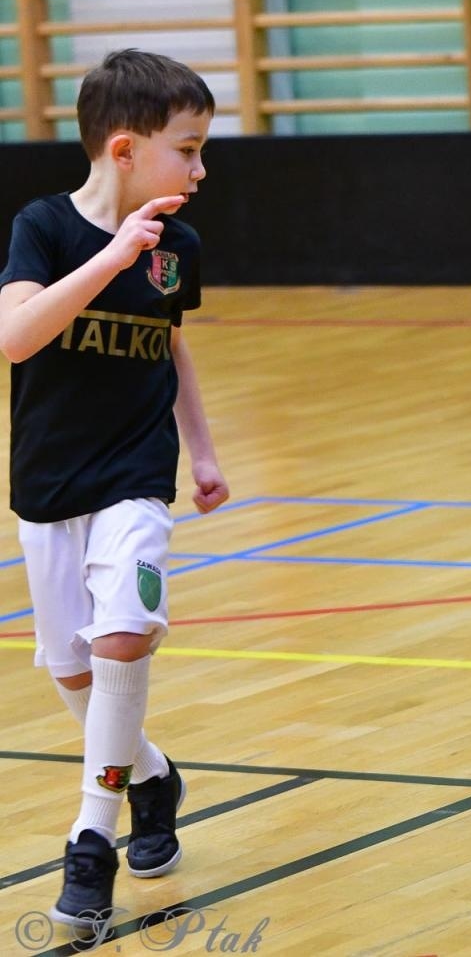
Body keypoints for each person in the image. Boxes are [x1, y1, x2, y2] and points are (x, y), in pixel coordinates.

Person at [0, 50, 229, 933]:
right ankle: (153, 776)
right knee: (70, 673)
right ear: (126, 149)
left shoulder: (180, 247)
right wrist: (112, 257)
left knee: (124, 639)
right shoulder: (45, 227)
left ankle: (90, 840)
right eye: (190, 148)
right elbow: (18, 337)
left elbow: (170, 343)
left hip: (137, 478)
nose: (201, 169)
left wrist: (201, 450)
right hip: (51, 483)